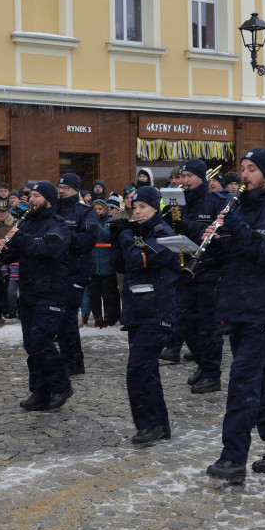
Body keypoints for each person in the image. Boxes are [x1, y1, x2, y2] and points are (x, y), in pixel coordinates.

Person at [206, 148, 265, 484]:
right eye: (242, 169)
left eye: (251, 169)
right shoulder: (235, 209)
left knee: (242, 382)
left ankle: (233, 458)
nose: (244, 175)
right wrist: (214, 241)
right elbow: (233, 258)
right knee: (260, 381)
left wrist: (240, 231)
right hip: (237, 306)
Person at [0, 180, 73, 411]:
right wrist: (4, 252)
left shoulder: (57, 224)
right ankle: (40, 391)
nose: (31, 200)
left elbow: (49, 250)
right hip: (29, 291)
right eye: (31, 196)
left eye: (37, 196)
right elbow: (19, 253)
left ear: (49, 200)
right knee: (32, 345)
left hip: (50, 291)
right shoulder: (27, 223)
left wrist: (20, 239)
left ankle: (61, 385)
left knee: (41, 341)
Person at [111, 186, 180, 444]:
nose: (137, 211)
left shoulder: (163, 233)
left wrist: (126, 235)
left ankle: (149, 425)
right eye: (134, 207)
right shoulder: (137, 231)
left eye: (143, 207)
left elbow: (138, 260)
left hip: (156, 310)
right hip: (137, 310)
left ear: (155, 209)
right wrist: (116, 236)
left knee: (137, 371)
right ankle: (159, 425)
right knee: (147, 370)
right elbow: (119, 264)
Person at [163, 159, 227, 392]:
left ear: (202, 178)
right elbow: (165, 227)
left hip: (210, 270)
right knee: (185, 323)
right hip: (184, 271)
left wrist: (186, 224)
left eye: (189, 176)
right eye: (181, 177)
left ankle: (212, 373)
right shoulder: (177, 201)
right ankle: (202, 362)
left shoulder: (216, 201)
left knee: (208, 326)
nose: (183, 181)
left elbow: (214, 235)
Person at [56, 173, 101, 376]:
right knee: (59, 319)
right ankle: (68, 359)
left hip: (76, 271)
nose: (61, 191)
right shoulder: (54, 209)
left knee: (67, 318)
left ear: (75, 189)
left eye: (65, 187)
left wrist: (64, 237)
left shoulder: (85, 212)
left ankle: (74, 362)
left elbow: (89, 239)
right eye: (59, 187)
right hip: (56, 271)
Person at [89, 198, 120, 327]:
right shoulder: (89, 222)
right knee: (94, 294)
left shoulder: (109, 222)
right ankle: (97, 317)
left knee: (109, 294)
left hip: (107, 262)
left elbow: (108, 236)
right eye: (95, 209)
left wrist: (98, 228)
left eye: (100, 209)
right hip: (94, 263)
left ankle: (109, 316)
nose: (98, 211)